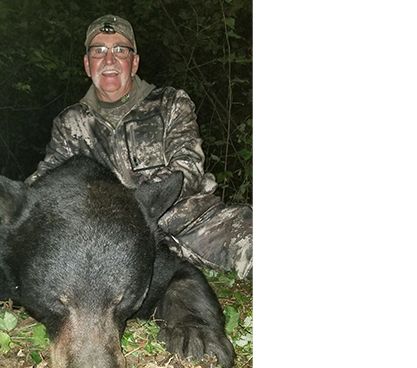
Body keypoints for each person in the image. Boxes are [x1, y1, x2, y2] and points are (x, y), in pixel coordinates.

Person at [26, 15, 253, 279]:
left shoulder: (170, 104)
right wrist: (15, 202)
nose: (109, 60)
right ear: (87, 64)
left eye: (120, 50)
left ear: (133, 63)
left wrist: (127, 206)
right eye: (99, 51)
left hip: (193, 225)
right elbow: (47, 180)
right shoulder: (70, 123)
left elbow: (188, 168)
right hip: (114, 245)